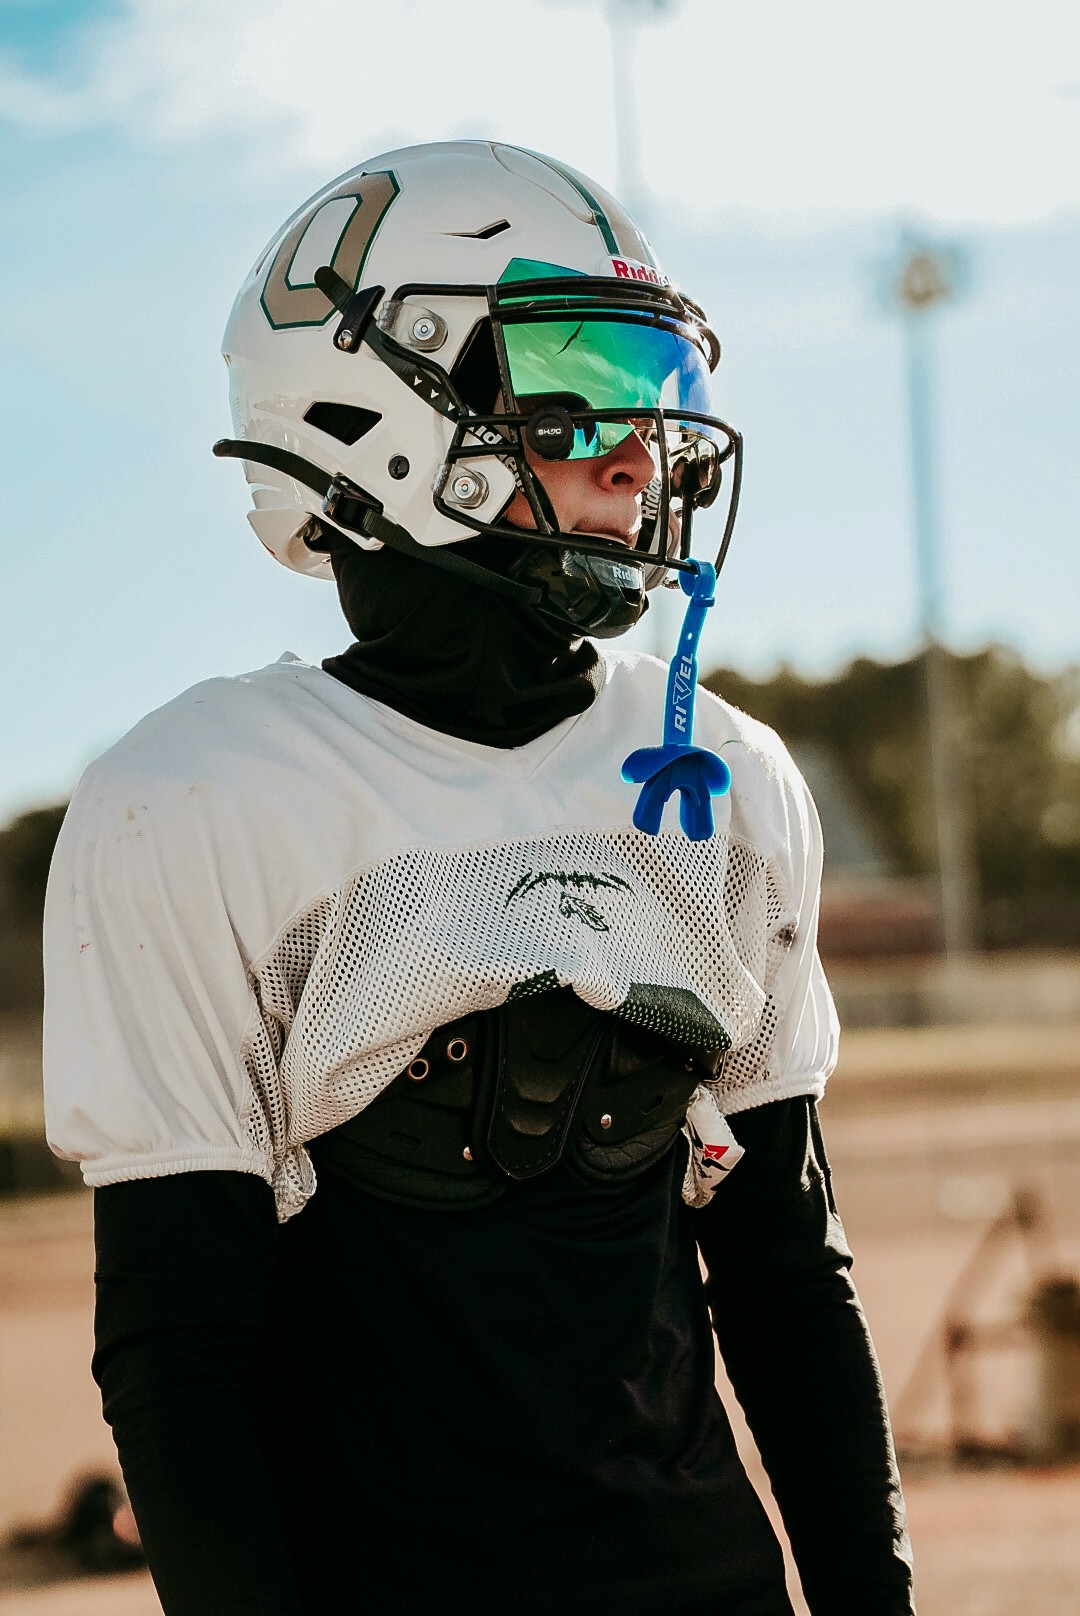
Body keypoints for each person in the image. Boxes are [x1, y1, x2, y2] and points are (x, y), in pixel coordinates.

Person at [43, 141, 916, 1615]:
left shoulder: (718, 774)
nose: (644, 444)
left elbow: (782, 1276)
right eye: (583, 371)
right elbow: (178, 1355)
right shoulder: (196, 796)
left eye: (659, 382)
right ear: (376, 398)